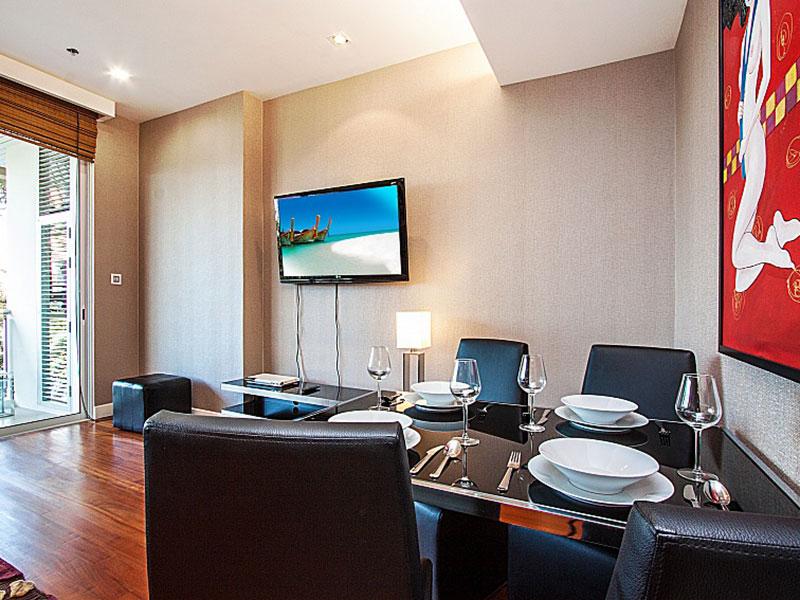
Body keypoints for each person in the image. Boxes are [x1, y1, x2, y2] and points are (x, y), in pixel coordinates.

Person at [732, 0, 800, 292]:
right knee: (739, 279)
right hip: (746, 125)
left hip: (752, 133)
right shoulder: (750, 18)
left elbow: (767, 75)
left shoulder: (762, 8)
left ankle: (773, 244)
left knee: (737, 257)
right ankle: (776, 235)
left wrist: (748, 130)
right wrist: (741, 111)